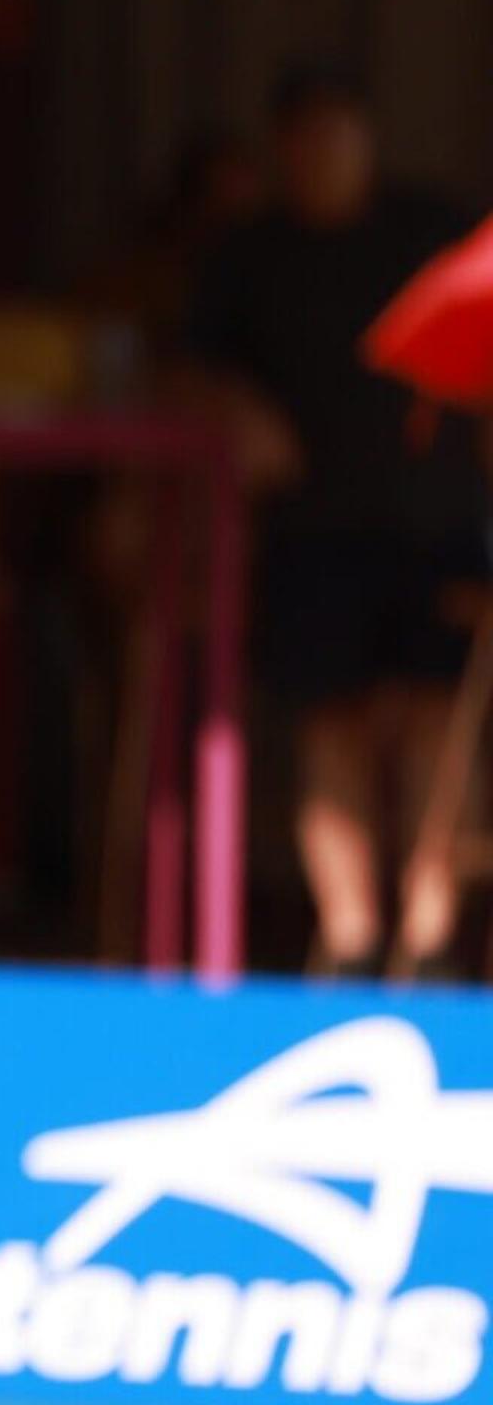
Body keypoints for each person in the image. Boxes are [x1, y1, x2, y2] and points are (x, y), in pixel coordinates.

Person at [184, 62, 484, 979]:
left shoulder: (426, 230)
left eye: (340, 131)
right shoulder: (253, 256)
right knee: (331, 727)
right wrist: (242, 410)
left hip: (434, 524)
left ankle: (431, 929)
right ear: (283, 150)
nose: (325, 153)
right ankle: (350, 932)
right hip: (316, 531)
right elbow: (193, 366)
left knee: (441, 725)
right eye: (306, 136)